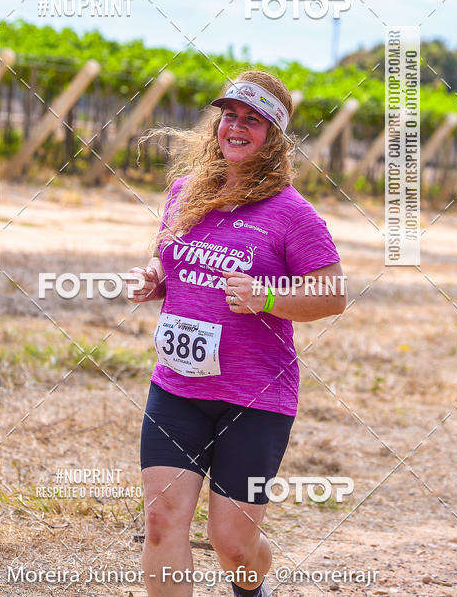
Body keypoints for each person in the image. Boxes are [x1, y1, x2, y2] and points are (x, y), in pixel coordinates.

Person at [129, 70, 346, 597]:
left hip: (255, 399)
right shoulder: (185, 193)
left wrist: (266, 297)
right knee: (161, 522)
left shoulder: (293, 214)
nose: (237, 127)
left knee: (232, 543)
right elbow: (170, 261)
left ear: (275, 136)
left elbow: (332, 295)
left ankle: (252, 588)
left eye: (254, 119)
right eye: (230, 115)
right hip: (177, 387)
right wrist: (154, 279)